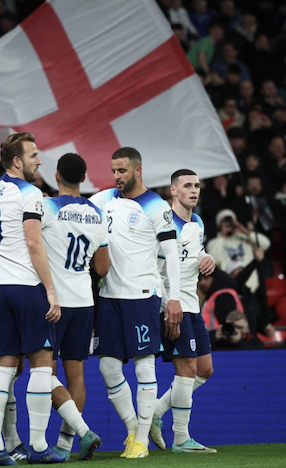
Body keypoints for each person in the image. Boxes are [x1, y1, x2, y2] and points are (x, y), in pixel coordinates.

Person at [0, 132, 66, 465]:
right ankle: (38, 446)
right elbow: (34, 243)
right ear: (16, 161)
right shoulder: (31, 194)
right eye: (33, 155)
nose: (39, 161)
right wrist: (50, 290)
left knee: (3, 369)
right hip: (26, 286)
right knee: (41, 367)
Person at [88, 147, 180, 459]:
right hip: (109, 297)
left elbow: (171, 255)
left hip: (142, 297)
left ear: (137, 171)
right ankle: (133, 428)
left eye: (122, 171)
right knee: (108, 367)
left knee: (145, 367)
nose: (116, 177)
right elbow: (74, 212)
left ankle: (142, 439)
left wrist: (174, 298)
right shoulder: (102, 200)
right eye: (113, 171)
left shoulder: (155, 205)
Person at [40, 153, 109, 460]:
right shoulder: (98, 213)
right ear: (84, 178)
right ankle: (66, 445)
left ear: (56, 176)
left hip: (54, 301)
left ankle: (82, 431)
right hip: (84, 300)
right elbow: (103, 268)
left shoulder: (46, 207)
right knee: (77, 374)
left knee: (42, 371)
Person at [150, 169, 217, 453]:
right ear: (173, 191)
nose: (194, 190)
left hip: (193, 304)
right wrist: (166, 304)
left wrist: (206, 257)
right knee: (187, 369)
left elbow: (194, 251)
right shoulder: (164, 224)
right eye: (187, 185)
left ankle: (153, 412)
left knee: (204, 369)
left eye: (197, 186)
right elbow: (156, 265)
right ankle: (181, 438)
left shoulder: (198, 222)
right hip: (171, 305)